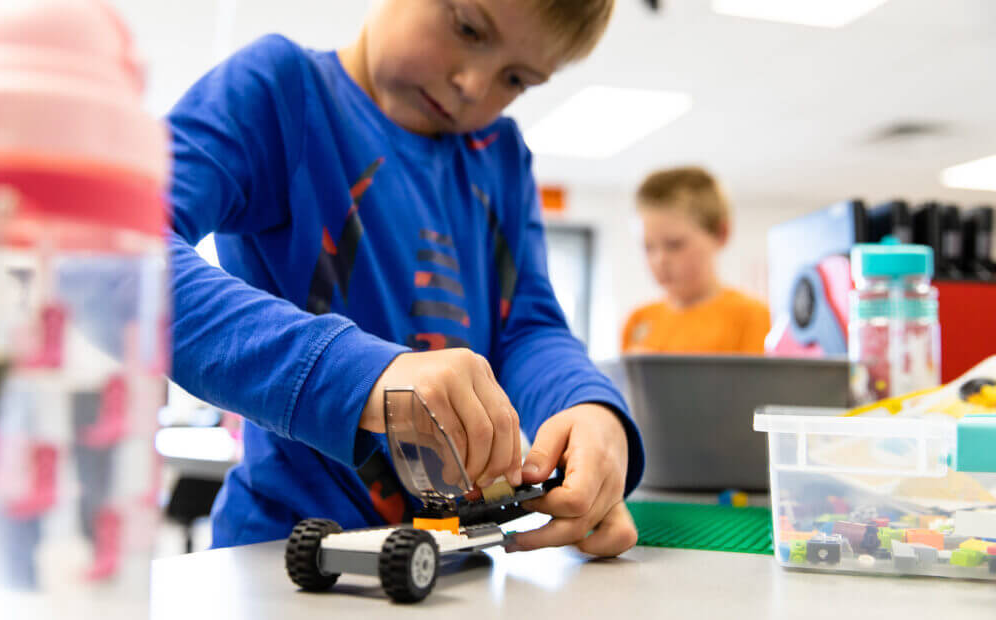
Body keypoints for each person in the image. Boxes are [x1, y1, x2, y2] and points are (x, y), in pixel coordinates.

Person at [167, 0, 644, 557]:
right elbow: (114, 253)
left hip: (452, 563)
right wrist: (361, 375)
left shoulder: (502, 157)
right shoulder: (281, 91)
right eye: (468, 28)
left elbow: (529, 327)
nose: (472, 85)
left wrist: (590, 409)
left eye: (515, 79)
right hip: (286, 557)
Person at [622, 166, 770, 354]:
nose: (660, 260)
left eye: (674, 245)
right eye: (648, 247)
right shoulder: (638, 321)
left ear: (721, 233)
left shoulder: (754, 317)